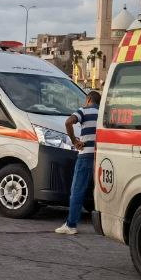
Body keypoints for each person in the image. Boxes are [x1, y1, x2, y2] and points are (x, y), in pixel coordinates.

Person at [55, 89, 101, 236]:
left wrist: (75, 140)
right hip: (101, 157)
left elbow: (69, 122)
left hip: (85, 156)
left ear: (88, 100)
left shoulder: (84, 110)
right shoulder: (103, 113)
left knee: (77, 191)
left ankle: (71, 224)